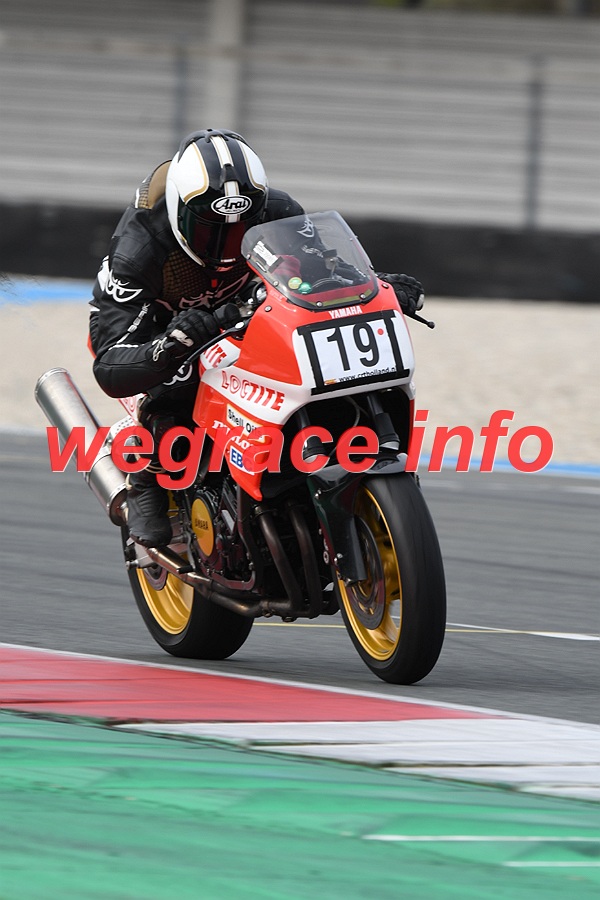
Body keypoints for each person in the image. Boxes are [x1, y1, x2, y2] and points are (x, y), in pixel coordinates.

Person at [89, 128, 424, 547]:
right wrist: (170, 343)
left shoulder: (280, 213)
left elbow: (327, 270)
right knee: (179, 381)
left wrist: (377, 285)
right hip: (158, 325)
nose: (226, 245)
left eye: (241, 229)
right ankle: (146, 477)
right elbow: (111, 363)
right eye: (211, 230)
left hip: (242, 309)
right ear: (178, 213)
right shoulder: (138, 249)